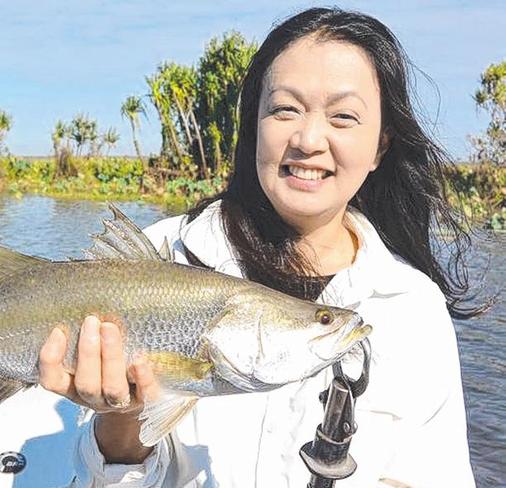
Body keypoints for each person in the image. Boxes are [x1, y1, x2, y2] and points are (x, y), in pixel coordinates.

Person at [39, 7, 478, 487]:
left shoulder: (415, 308)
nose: (309, 139)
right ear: (255, 125)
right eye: (285, 109)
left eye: (344, 116)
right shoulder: (161, 252)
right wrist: (121, 422)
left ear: (380, 147)